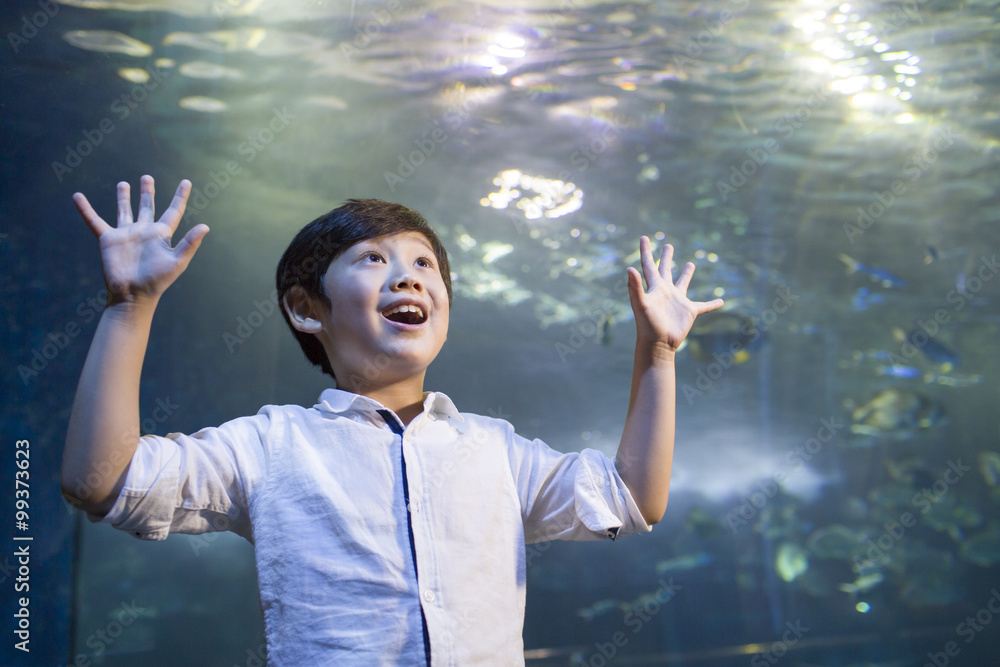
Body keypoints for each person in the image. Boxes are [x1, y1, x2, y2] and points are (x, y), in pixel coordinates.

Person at [61, 175, 724, 665]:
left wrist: (658, 350)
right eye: (374, 259)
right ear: (305, 308)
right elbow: (104, 480)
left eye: (424, 264)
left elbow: (633, 498)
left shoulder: (496, 450)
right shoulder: (268, 445)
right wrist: (130, 308)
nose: (407, 277)